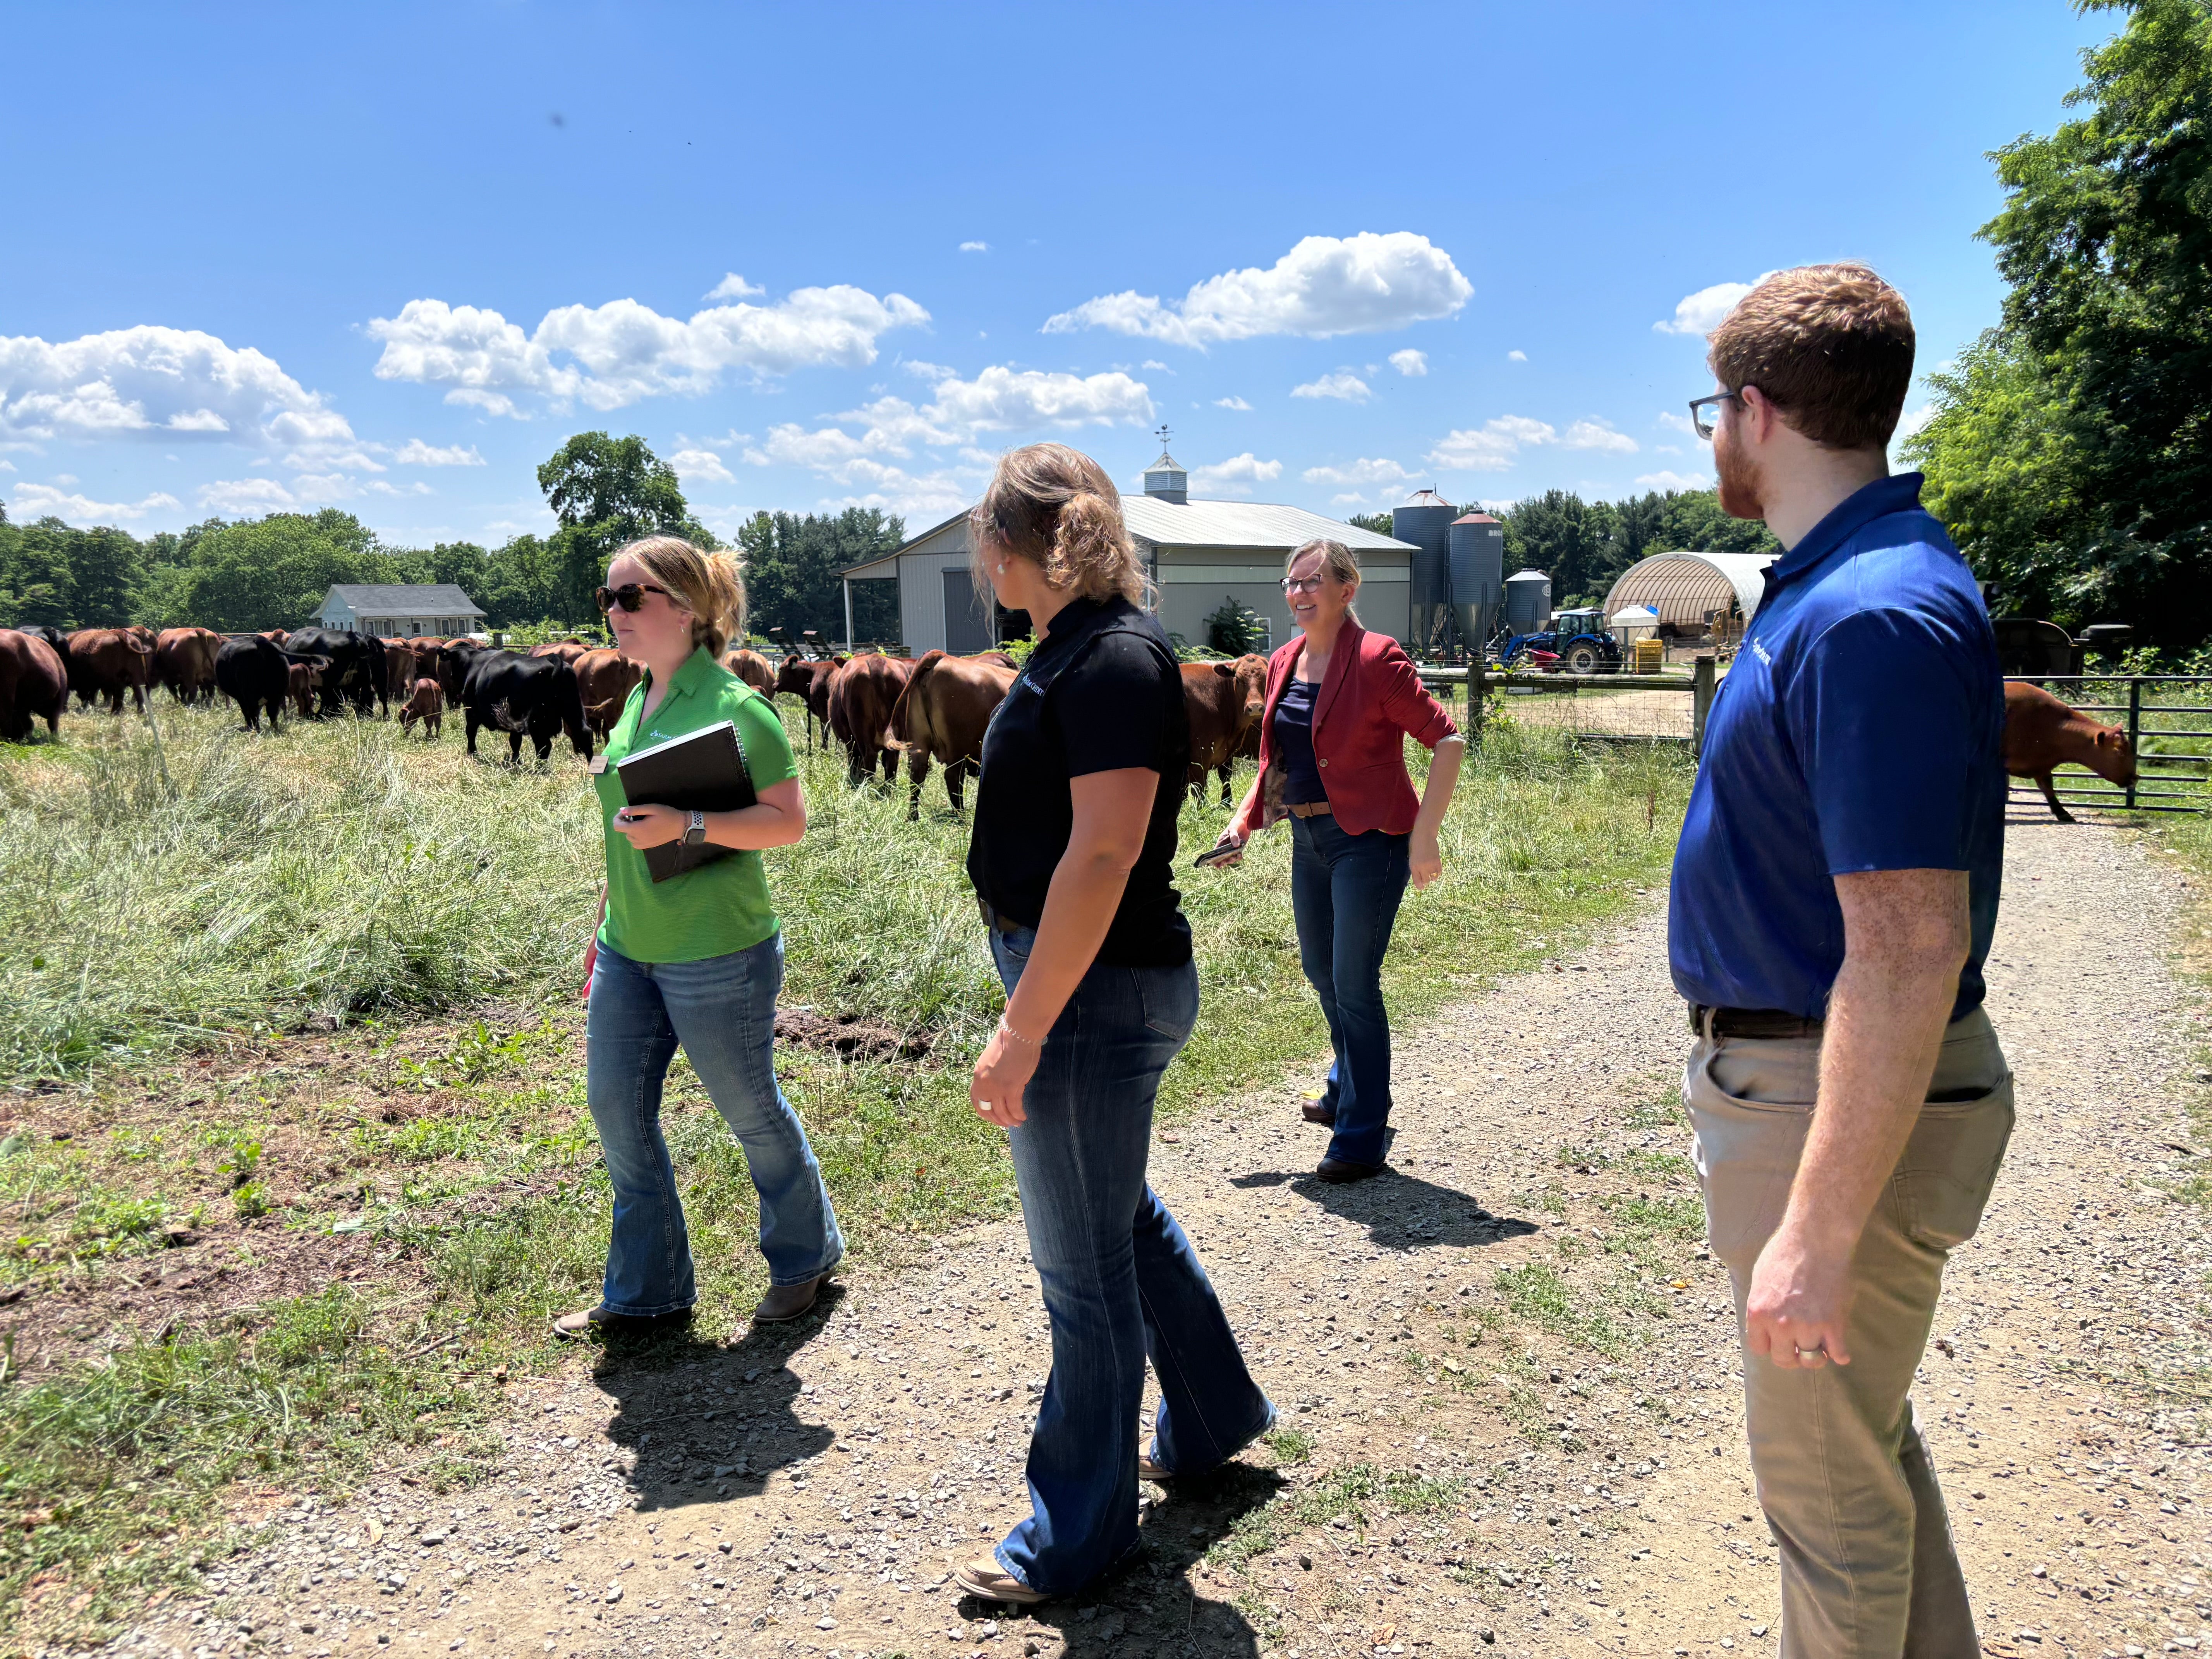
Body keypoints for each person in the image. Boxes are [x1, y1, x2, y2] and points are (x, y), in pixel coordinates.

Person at [1673, 264, 2011, 1654]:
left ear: (1754, 412)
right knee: (1859, 1457)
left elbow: (1908, 947)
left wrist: (1813, 1232)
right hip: (1806, 1079)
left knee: (1825, 1494)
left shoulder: (1868, 611)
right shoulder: (1842, 586)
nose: (1711, 437)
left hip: (1827, 1092)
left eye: (1712, 408)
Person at [956, 442, 1273, 1605]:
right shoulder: (1081, 646)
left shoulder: (1113, 658)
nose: (977, 559)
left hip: (1088, 992)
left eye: (979, 540)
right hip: (1086, 981)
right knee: (1119, 1215)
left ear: (1010, 544)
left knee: (1082, 1273)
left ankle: (1080, 1536)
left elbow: (1103, 853)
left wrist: (1022, 1030)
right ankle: (1216, 1413)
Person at [555, 534, 844, 1338]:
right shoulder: (638, 699)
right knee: (617, 1111)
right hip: (628, 949)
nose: (613, 613)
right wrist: (604, 922)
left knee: (749, 1111)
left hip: (718, 952)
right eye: (607, 597)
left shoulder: (737, 708)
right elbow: (627, 833)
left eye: (629, 597)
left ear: (683, 609)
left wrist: (690, 823)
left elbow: (787, 824)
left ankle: (805, 1256)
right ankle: (647, 1295)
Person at [1209, 539, 1463, 1182]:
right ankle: (1346, 1083)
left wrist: (1425, 835)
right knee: (1321, 972)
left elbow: (1448, 741)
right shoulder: (1286, 660)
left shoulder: (1378, 659)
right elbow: (1279, 761)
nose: (1298, 594)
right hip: (1309, 839)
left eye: (1311, 582)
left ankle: (1361, 1133)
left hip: (1371, 844)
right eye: (1290, 583)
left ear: (1347, 590)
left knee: (1354, 982)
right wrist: (1244, 822)